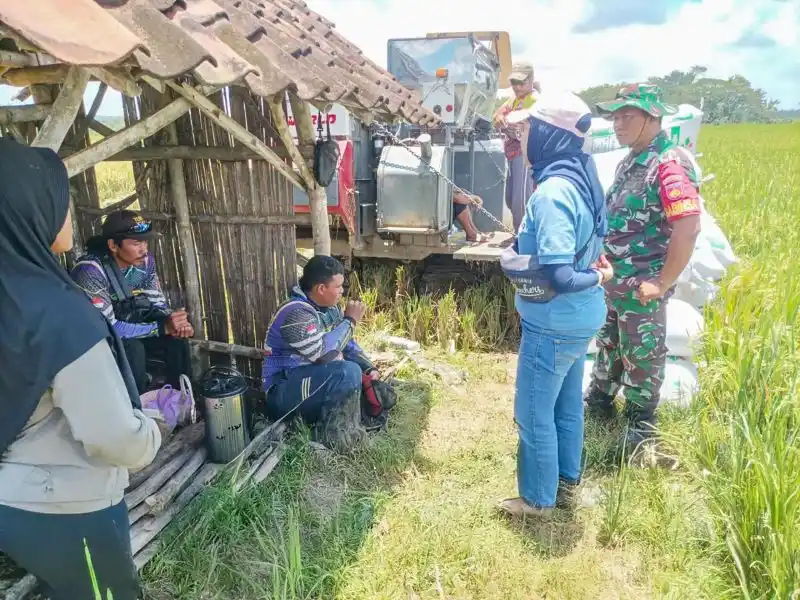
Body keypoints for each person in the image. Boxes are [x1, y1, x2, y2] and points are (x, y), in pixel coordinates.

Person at [0, 137, 162, 599]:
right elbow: (115, 438)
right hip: (65, 507)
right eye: (62, 205)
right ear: (28, 211)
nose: (71, 217)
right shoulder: (59, 311)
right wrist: (151, 427)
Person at [497, 91, 612, 518]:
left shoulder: (552, 193)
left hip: (553, 322)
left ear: (547, 133)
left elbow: (561, 276)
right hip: (579, 319)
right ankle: (566, 479)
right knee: (566, 405)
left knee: (532, 413)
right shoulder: (583, 177)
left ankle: (537, 500)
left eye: (526, 129)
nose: (522, 137)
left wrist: (599, 275)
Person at [584, 84, 702, 454]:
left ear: (652, 117)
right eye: (615, 116)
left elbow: (688, 225)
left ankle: (640, 425)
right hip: (614, 281)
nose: (618, 123)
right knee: (609, 346)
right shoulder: (632, 159)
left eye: (627, 116)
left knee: (642, 355)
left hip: (641, 286)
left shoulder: (667, 164)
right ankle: (599, 404)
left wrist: (662, 282)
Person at [261, 255, 396, 453]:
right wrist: (350, 321)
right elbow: (323, 354)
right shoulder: (295, 313)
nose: (343, 291)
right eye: (338, 286)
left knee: (373, 386)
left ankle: (346, 421)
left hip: (310, 382)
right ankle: (334, 436)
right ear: (321, 289)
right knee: (348, 372)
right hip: (281, 392)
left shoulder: (329, 310)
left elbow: (346, 344)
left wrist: (369, 368)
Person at [71, 210, 194, 394]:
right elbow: (109, 329)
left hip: (127, 323)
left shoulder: (144, 262)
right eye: (136, 243)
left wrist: (175, 323)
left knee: (177, 341)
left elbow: (157, 301)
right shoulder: (90, 271)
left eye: (145, 241)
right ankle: (134, 411)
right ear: (113, 245)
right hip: (93, 340)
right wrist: (160, 328)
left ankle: (179, 399)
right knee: (133, 349)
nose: (144, 249)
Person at [493, 62, 539, 232]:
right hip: (512, 154)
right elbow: (497, 114)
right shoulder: (514, 99)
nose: (517, 87)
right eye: (514, 83)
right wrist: (499, 117)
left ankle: (523, 235)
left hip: (525, 153)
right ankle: (519, 232)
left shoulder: (535, 100)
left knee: (521, 199)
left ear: (531, 80)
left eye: (522, 83)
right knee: (511, 198)